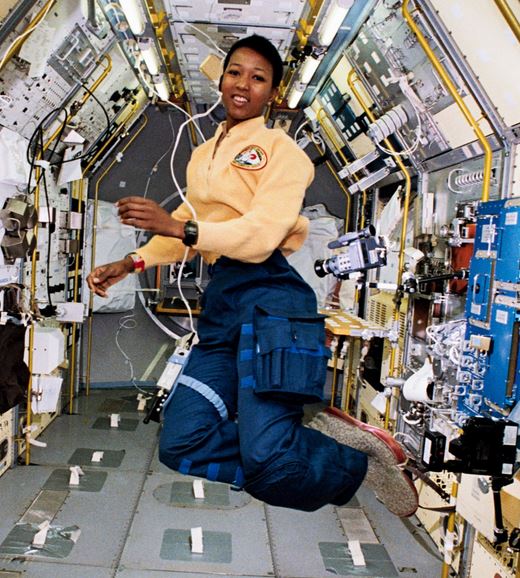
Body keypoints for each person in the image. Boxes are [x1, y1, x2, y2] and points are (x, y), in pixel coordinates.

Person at [87, 34, 418, 516]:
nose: (243, 84)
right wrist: (129, 263)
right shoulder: (205, 156)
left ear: (273, 94)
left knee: (271, 463)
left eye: (258, 78)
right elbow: (193, 219)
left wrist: (180, 226)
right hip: (223, 304)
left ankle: (353, 461)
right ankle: (304, 445)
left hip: (271, 298)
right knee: (181, 444)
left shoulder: (283, 153)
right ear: (221, 78)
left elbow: (261, 233)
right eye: (235, 72)